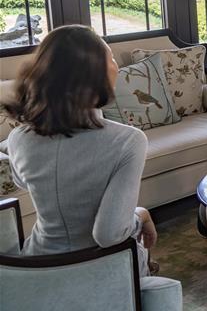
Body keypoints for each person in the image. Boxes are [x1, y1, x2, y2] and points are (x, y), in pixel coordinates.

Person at [3, 25, 157, 276]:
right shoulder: (128, 141)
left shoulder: (18, 138)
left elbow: (23, 181)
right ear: (94, 74)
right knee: (145, 257)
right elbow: (108, 235)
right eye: (111, 58)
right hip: (100, 274)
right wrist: (142, 215)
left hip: (35, 271)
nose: (117, 67)